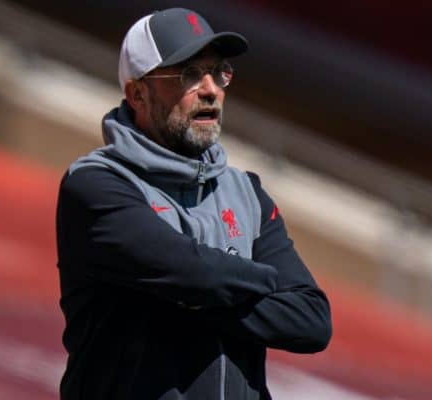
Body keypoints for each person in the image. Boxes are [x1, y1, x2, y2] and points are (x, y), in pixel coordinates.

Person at [56, 7, 331, 400]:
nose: (210, 89)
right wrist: (264, 281)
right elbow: (192, 272)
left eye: (218, 72)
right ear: (137, 93)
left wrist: (188, 292)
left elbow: (311, 321)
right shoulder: (96, 184)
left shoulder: (247, 193)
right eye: (188, 74)